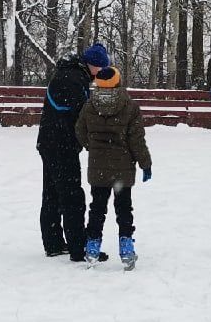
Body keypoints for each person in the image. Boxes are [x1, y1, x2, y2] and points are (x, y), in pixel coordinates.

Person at [75, 65, 152, 269]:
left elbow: (80, 131)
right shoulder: (130, 107)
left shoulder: (89, 106)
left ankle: (92, 246)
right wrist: (146, 163)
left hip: (98, 167)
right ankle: (126, 247)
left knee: (97, 208)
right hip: (122, 168)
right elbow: (136, 140)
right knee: (124, 208)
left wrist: (93, 148)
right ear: (118, 82)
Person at [40, 42, 110, 262]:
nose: (102, 73)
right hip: (61, 146)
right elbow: (81, 118)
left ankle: (53, 243)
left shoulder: (70, 74)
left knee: (52, 194)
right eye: (101, 68)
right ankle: (79, 248)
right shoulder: (73, 79)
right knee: (72, 196)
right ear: (93, 65)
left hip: (51, 143)